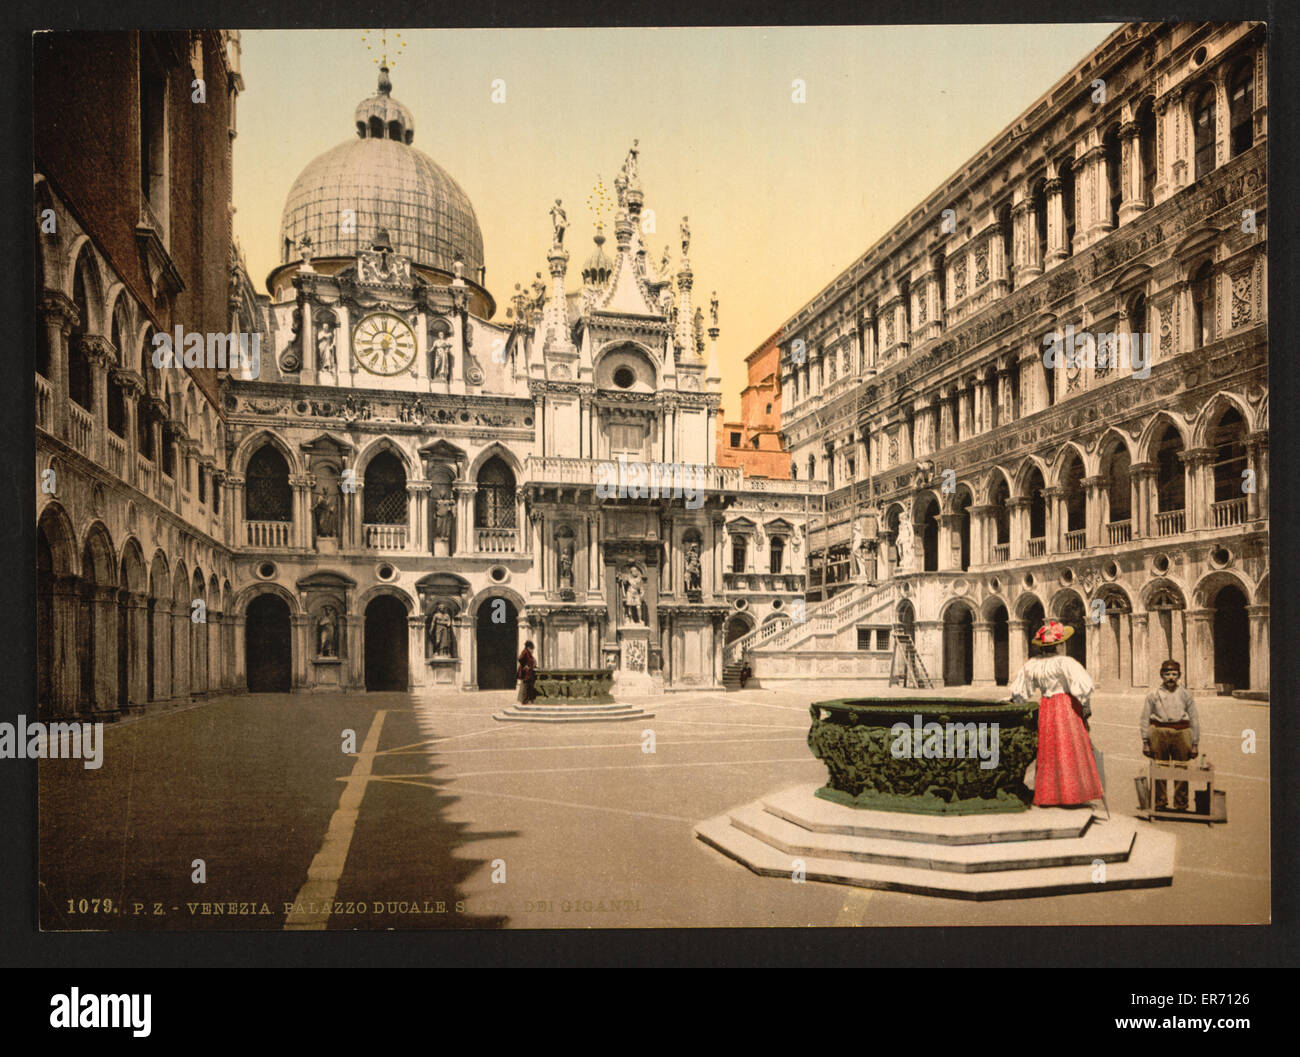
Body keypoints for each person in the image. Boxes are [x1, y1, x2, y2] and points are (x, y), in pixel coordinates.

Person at [1008, 620, 1103, 807]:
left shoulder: (1032, 665)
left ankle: (1049, 795)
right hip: (1066, 707)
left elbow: (1020, 692)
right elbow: (1082, 688)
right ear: (1059, 645)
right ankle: (1071, 794)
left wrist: (1015, 702)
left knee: (1049, 749)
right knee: (1069, 747)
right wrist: (1085, 710)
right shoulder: (1065, 662)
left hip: (1047, 706)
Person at [1141, 659, 1200, 810]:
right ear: (1161, 675)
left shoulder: (1186, 694)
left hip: (1182, 733)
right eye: (1167, 674)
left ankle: (1181, 804)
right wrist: (1145, 741)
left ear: (1179, 676)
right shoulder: (1153, 695)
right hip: (1159, 733)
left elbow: (1194, 719)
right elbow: (1145, 718)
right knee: (1159, 768)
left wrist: (1194, 743)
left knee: (1181, 769)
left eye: (1174, 674)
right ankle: (1159, 802)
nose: (1171, 677)